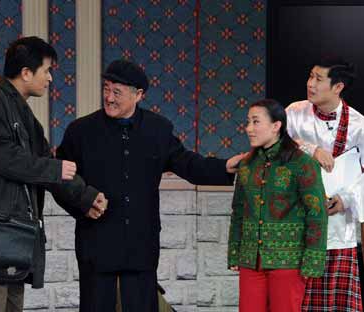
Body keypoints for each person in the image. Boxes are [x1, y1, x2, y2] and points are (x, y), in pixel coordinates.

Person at [54, 59, 244, 311]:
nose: (109, 98)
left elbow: (187, 163)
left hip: (140, 246)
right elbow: (60, 178)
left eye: (117, 92)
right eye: (106, 89)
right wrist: (82, 201)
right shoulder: (81, 131)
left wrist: (225, 167)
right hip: (96, 244)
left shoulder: (158, 129)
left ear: (139, 95)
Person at [0, 36, 105, 312]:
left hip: (10, 239)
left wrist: (86, 197)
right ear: (26, 73)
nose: (49, 78)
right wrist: (55, 169)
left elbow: (43, 161)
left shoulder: (20, 111)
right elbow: (5, 158)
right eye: (46, 70)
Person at [286, 56, 364, 311]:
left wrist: (347, 200)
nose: (310, 83)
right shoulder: (294, 114)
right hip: (297, 227)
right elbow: (274, 145)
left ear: (338, 87)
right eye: (310, 76)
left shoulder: (359, 126)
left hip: (337, 231)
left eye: (318, 79)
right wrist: (311, 149)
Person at [227, 99, 328, 312]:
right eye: (248, 122)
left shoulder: (302, 163)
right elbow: (238, 211)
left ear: (276, 126)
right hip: (251, 260)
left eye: (255, 122)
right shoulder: (246, 165)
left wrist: (313, 258)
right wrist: (235, 250)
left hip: (289, 262)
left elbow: (317, 212)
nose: (248, 129)